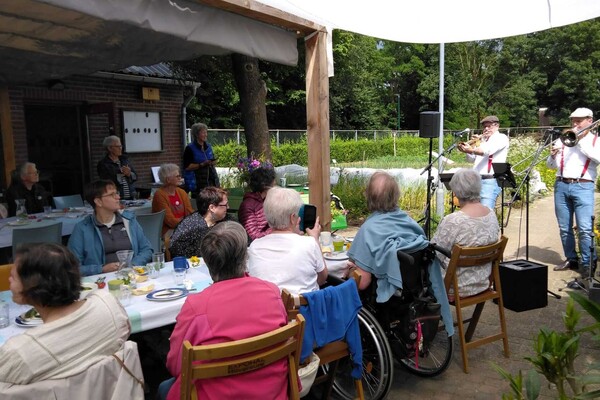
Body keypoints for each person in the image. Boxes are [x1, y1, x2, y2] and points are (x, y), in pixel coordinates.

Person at [161, 221, 289, 400]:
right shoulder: (271, 292)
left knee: (163, 387)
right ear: (245, 257)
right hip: (273, 391)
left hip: (216, 394)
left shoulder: (197, 307)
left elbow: (176, 366)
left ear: (207, 262)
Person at [0, 243, 130, 384]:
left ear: (32, 286)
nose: (8, 280)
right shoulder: (109, 306)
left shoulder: (18, 352)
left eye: (13, 276)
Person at [346, 171, 454, 335]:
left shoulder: (368, 230)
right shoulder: (409, 222)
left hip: (387, 298)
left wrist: (349, 271)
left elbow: (362, 282)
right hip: (413, 291)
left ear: (369, 197)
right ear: (395, 195)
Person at [431, 169, 500, 298]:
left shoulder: (453, 220)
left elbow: (434, 254)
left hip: (455, 287)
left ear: (456, 192)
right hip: (483, 283)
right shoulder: (491, 214)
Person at [547, 107, 600, 275]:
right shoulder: (562, 139)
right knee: (564, 227)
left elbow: (597, 158)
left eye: (579, 120)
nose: (575, 124)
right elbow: (550, 166)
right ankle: (571, 259)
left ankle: (588, 262)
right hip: (561, 184)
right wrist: (552, 156)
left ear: (589, 121)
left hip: (583, 185)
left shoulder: (595, 140)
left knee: (584, 228)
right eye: (573, 121)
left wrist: (578, 140)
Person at [247, 187, 327, 294]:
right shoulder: (309, 244)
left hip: (269, 308)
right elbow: (322, 279)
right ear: (292, 218)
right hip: (303, 309)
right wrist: (315, 239)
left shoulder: (255, 246)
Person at [67, 180, 152, 276]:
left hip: (132, 276)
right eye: (112, 195)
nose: (118, 197)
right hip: (100, 282)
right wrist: (101, 269)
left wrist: (132, 264)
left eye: (117, 193)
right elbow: (72, 267)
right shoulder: (82, 229)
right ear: (98, 201)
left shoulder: (129, 221)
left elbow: (147, 249)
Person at [457, 115, 510, 210]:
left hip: (490, 180)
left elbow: (486, 151)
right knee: (473, 211)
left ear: (497, 126)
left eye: (489, 126)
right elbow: (471, 159)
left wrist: (471, 150)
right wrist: (470, 148)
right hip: (476, 180)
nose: (486, 129)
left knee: (485, 212)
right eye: (484, 127)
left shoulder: (501, 138)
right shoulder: (482, 141)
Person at [168, 187, 228, 259]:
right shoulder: (190, 226)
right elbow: (176, 250)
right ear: (212, 208)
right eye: (225, 205)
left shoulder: (227, 220)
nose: (228, 207)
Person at [151, 163, 194, 238]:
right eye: (177, 176)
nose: (180, 178)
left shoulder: (182, 192)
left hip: (182, 227)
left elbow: (189, 211)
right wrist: (188, 225)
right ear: (168, 179)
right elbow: (170, 220)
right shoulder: (159, 195)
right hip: (166, 231)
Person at [238, 166, 276, 241]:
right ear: (265, 186)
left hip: (270, 240)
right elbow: (253, 236)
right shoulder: (247, 205)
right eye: (273, 185)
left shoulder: (267, 200)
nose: (275, 188)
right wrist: (276, 231)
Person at [183, 123, 219, 199]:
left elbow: (212, 159)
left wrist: (213, 162)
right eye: (203, 132)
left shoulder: (208, 146)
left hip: (211, 181)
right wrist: (202, 164)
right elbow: (187, 167)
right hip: (197, 183)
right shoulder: (189, 148)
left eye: (206, 132)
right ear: (196, 134)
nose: (206, 135)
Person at [97, 135, 137, 200]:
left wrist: (129, 174)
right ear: (110, 148)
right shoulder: (103, 164)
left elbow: (135, 177)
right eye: (118, 146)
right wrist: (121, 173)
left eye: (121, 146)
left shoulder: (125, 160)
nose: (120, 148)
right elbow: (106, 182)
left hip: (131, 197)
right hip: (116, 198)